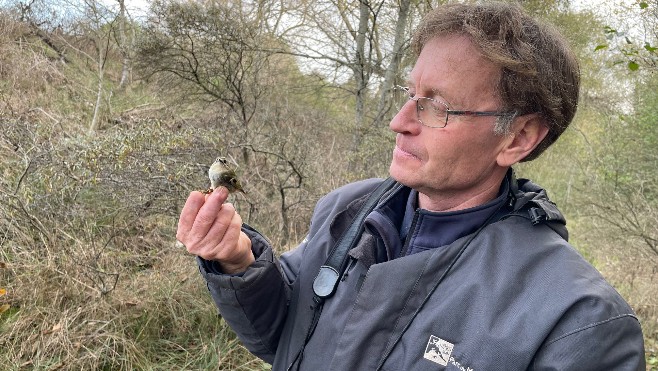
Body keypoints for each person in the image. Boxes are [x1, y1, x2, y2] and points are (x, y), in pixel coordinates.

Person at [176, 2, 646, 370]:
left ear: (519, 138)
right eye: (410, 94)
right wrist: (239, 262)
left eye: (436, 106)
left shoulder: (579, 322)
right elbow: (284, 335)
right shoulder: (347, 210)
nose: (398, 122)